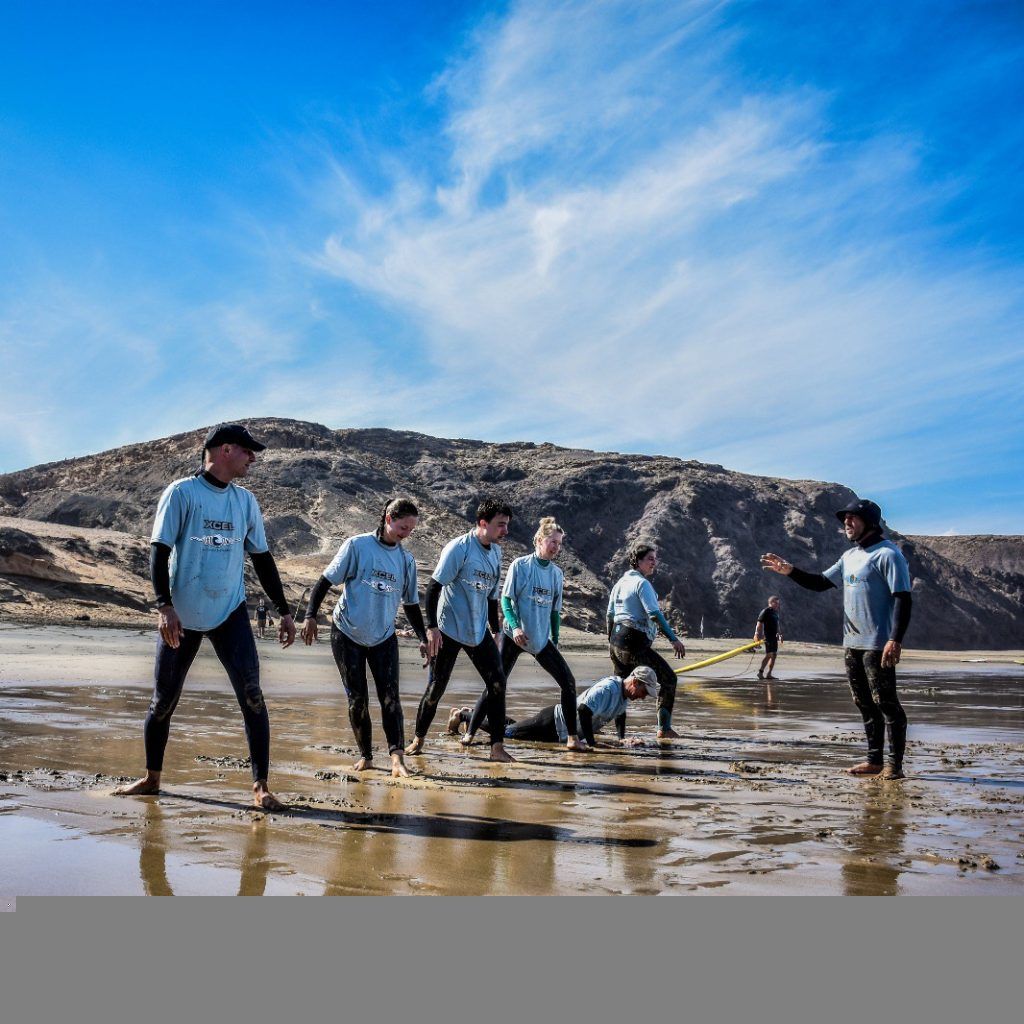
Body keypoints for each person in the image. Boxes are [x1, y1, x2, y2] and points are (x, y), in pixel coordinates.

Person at [115, 423, 296, 810]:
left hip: (229, 611)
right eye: (247, 451)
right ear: (225, 450)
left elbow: (262, 559)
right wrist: (164, 606)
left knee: (252, 696)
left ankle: (261, 787)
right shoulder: (182, 493)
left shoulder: (245, 501)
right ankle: (151, 778)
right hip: (182, 612)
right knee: (163, 702)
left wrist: (283, 610)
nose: (253, 458)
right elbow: (159, 552)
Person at [761, 498, 912, 780]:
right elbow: (820, 583)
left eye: (853, 518)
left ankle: (895, 765)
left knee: (886, 703)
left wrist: (895, 639)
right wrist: (790, 571)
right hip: (852, 644)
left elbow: (903, 597)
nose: (846, 522)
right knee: (863, 702)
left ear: (869, 521)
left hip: (878, 644)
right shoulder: (849, 557)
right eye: (845, 518)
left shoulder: (888, 554)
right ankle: (874, 761)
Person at [299, 498, 427, 778]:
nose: (407, 534)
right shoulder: (357, 546)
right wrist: (309, 616)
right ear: (389, 518)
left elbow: (411, 604)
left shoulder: (406, 560)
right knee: (357, 698)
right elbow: (325, 581)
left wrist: (423, 637)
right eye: (403, 527)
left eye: (411, 530)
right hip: (347, 634)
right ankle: (366, 756)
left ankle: (397, 759)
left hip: (383, 637)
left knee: (390, 698)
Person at [457, 516, 585, 752]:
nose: (556, 547)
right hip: (514, 636)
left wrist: (554, 639)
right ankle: (471, 732)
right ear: (538, 540)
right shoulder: (521, 565)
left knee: (568, 683)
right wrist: (514, 627)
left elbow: (555, 612)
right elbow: (506, 601)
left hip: (539, 639)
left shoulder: (556, 574)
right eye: (552, 542)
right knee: (495, 685)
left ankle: (572, 738)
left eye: (559, 543)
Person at [406, 499, 515, 763]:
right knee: (436, 688)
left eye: (507, 526)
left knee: (498, 683)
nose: (505, 531)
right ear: (482, 523)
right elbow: (433, 588)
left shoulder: (496, 553)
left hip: (478, 631)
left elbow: (492, 596)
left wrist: (495, 629)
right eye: (500, 525)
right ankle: (418, 739)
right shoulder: (459, 548)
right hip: (449, 629)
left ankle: (497, 747)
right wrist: (431, 629)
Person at [457, 666, 657, 749]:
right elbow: (583, 711)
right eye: (644, 692)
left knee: (516, 728)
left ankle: (472, 715)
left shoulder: (624, 698)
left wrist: (621, 739)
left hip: (559, 732)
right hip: (552, 722)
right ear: (635, 682)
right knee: (508, 733)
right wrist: (593, 743)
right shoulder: (608, 688)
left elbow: (620, 716)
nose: (643, 697)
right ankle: (465, 715)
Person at [607, 541, 686, 739]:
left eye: (655, 559)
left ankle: (620, 735)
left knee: (621, 686)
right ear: (638, 561)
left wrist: (612, 642)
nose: (654, 563)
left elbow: (609, 615)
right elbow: (654, 614)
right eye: (650, 559)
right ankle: (664, 728)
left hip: (616, 643)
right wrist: (673, 639)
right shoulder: (642, 583)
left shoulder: (620, 583)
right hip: (633, 642)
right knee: (669, 679)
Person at [754, 596, 783, 679]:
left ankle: (769, 674)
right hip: (768, 636)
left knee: (774, 655)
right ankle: (760, 672)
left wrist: (780, 634)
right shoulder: (766, 611)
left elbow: (777, 624)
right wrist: (757, 635)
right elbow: (759, 623)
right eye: (776, 603)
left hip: (774, 637)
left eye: (778, 603)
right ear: (771, 602)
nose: (778, 605)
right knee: (769, 654)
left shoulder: (775, 612)